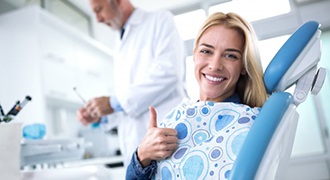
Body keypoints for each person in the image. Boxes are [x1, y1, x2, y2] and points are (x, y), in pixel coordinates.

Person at [125, 12, 268, 179]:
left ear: (244, 65)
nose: (215, 66)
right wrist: (143, 155)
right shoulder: (177, 117)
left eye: (230, 55)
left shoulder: (250, 124)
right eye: (206, 51)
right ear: (194, 54)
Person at [76, 0, 187, 167]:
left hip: (166, 141)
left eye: (99, 10)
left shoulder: (159, 20)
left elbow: (169, 71)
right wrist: (101, 115)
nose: (97, 19)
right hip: (137, 151)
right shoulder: (120, 40)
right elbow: (129, 104)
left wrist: (113, 103)